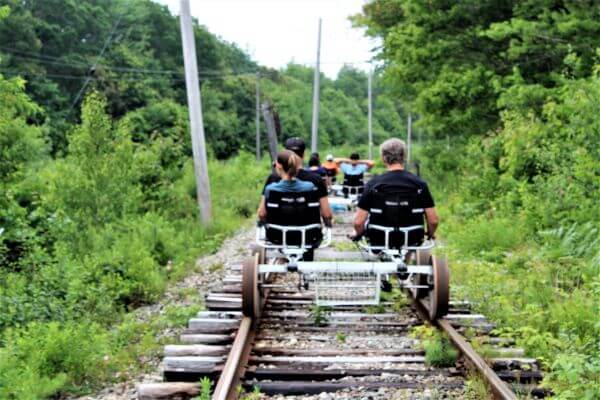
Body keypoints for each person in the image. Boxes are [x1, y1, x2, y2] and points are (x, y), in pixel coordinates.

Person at [351, 138, 438, 242]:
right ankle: (406, 257)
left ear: (383, 158)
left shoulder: (373, 184)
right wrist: (430, 233)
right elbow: (433, 221)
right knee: (410, 243)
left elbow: (358, 222)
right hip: (412, 236)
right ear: (404, 156)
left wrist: (359, 234)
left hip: (379, 236)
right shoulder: (420, 184)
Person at [258, 150, 331, 261]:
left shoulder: (270, 188)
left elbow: (262, 213)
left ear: (278, 165)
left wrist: (263, 222)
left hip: (277, 235)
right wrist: (327, 223)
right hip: (308, 235)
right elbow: (326, 214)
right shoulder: (310, 187)